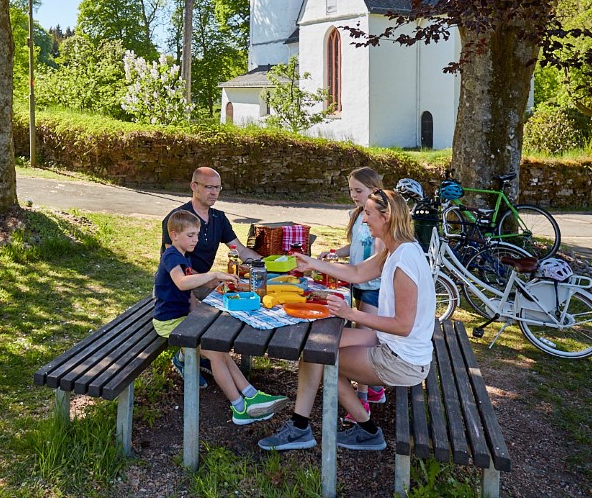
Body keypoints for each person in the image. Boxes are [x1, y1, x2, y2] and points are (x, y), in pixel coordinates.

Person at [258, 188, 435, 452]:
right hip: (393, 343)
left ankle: (363, 430)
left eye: (368, 213)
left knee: (321, 356)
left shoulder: (404, 261)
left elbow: (403, 325)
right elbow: (355, 272)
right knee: (314, 348)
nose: (364, 220)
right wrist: (312, 263)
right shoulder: (397, 249)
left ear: (386, 217)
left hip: (403, 358)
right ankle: (302, 427)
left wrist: (351, 314)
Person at [153, 210, 290, 425]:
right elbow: (181, 282)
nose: (196, 240)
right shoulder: (171, 256)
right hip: (169, 323)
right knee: (216, 353)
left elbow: (190, 286)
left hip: (182, 317)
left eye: (197, 235)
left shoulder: (184, 255)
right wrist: (215, 275)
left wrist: (212, 291)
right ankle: (238, 408)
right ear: (174, 235)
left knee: (220, 348)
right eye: (190, 235)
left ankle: (252, 395)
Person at [332, 167, 387, 412]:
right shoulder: (357, 215)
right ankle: (375, 391)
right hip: (359, 285)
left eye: (358, 190)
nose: (353, 194)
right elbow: (354, 245)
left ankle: (362, 401)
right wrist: (335, 253)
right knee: (360, 333)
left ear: (374, 190)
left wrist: (354, 271)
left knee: (363, 345)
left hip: (373, 288)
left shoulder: (380, 219)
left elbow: (377, 256)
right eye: (351, 190)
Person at [160, 166, 262, 274]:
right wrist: (209, 280)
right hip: (175, 286)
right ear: (194, 186)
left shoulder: (219, 218)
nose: (214, 192)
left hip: (202, 282)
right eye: (209, 187)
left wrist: (265, 263)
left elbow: (240, 250)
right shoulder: (177, 217)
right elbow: (175, 263)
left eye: (217, 187)